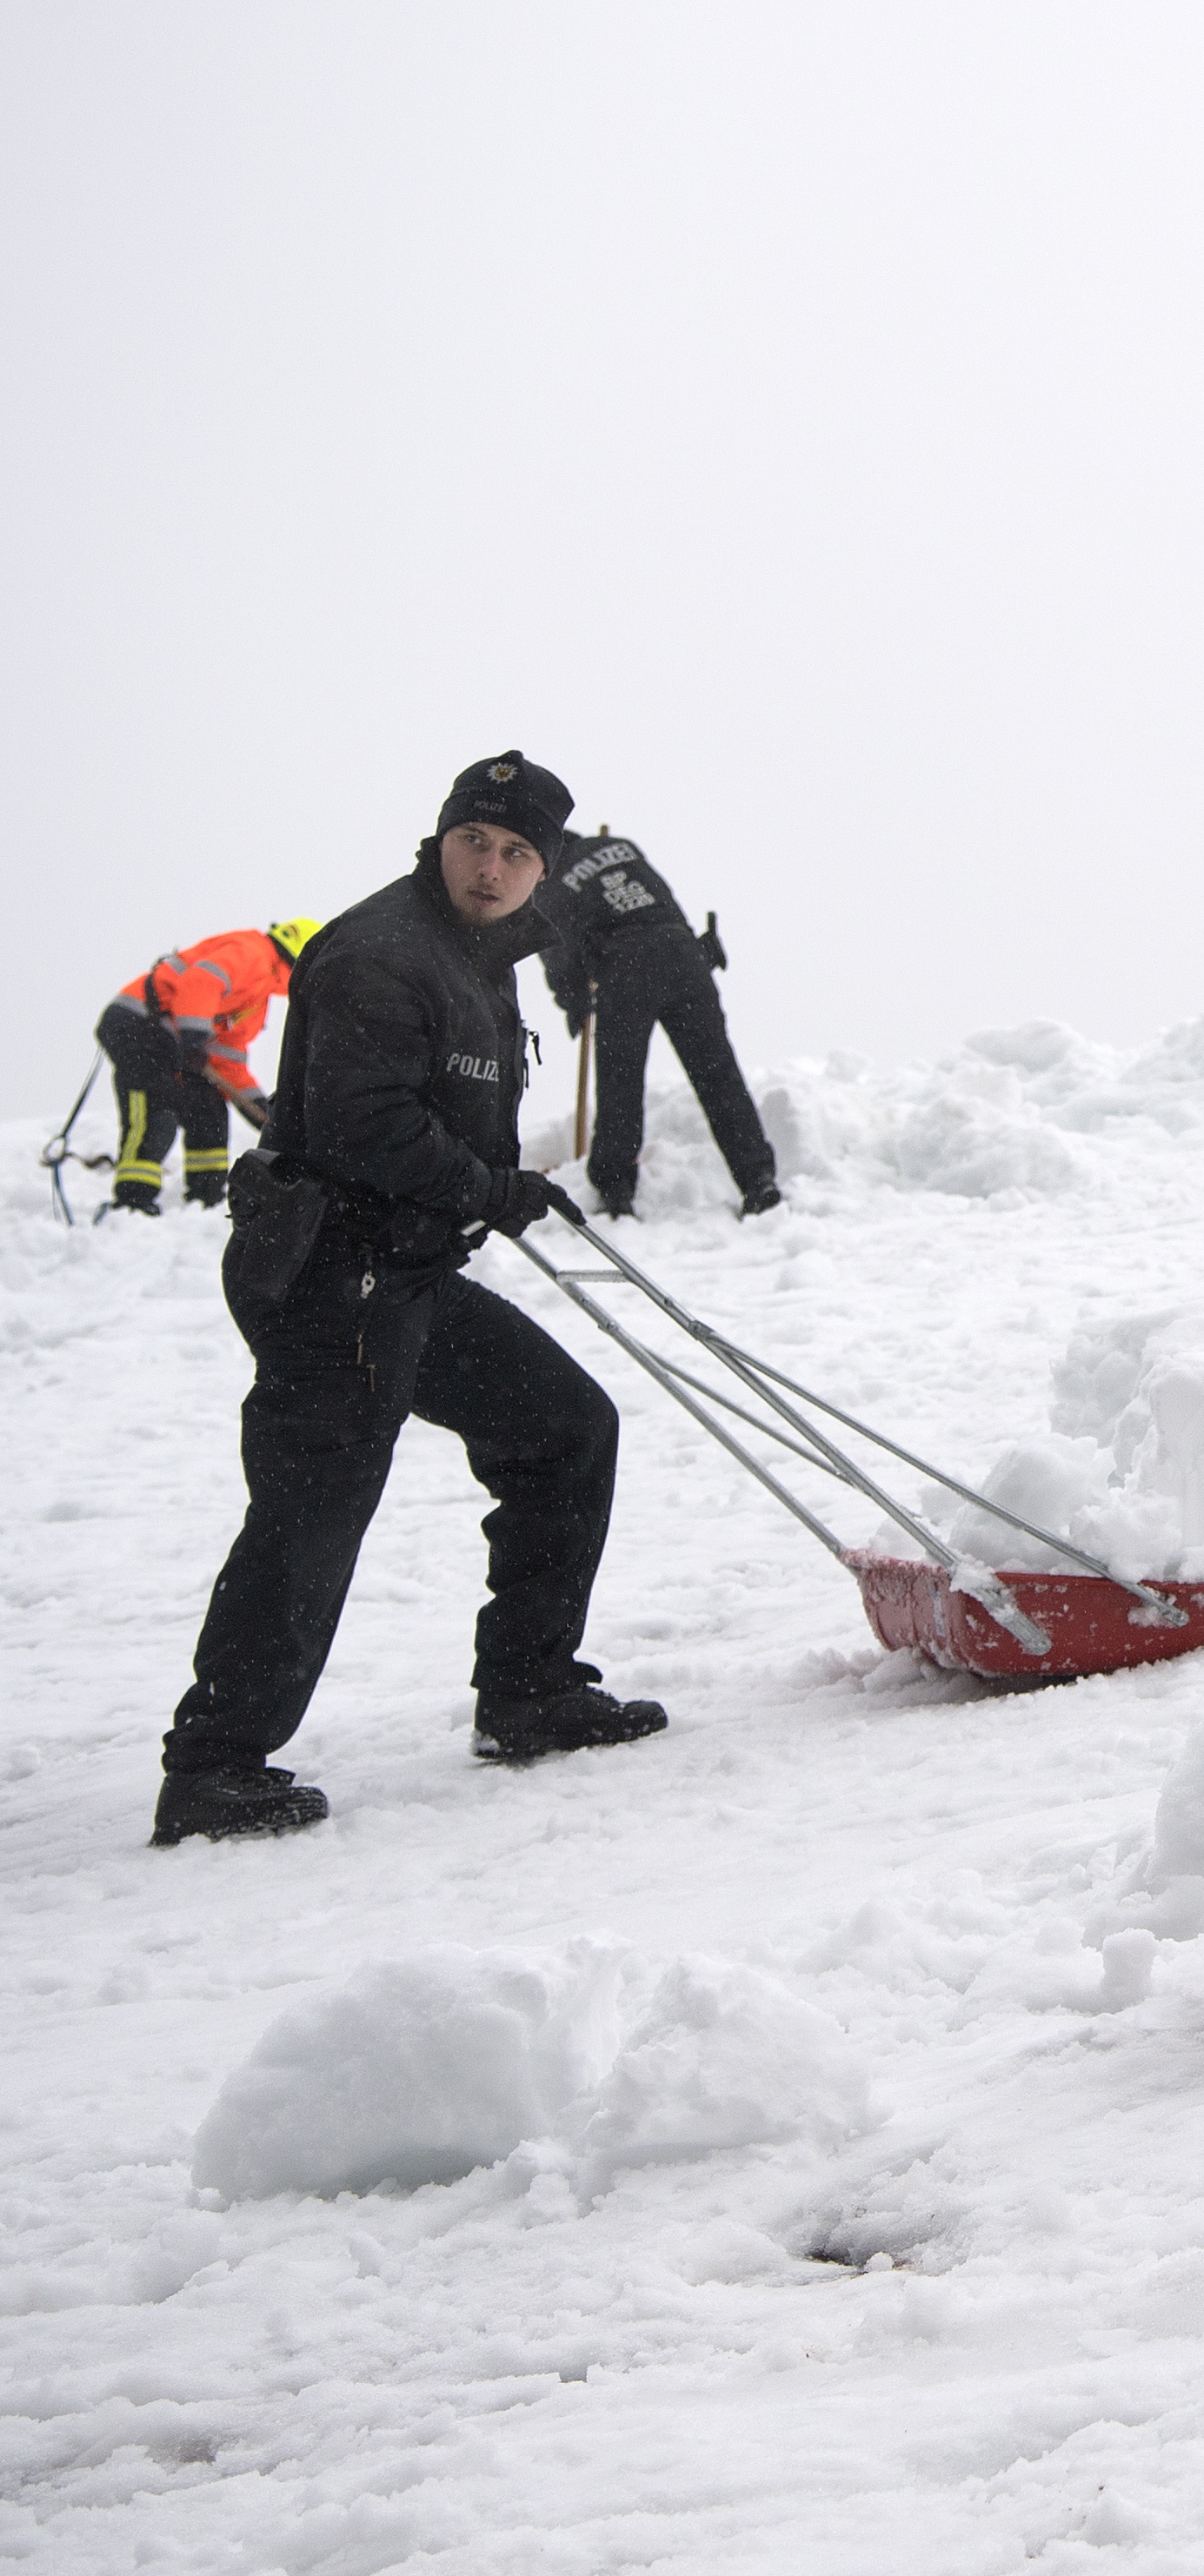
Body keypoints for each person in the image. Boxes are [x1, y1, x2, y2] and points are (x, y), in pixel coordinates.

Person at [152, 750, 663, 1847]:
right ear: (440, 838)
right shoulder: (381, 951)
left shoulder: (480, 954)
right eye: (475, 840)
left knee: (565, 1428)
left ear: (545, 868)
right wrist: (493, 1188)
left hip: (409, 1270)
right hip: (332, 1275)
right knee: (315, 1501)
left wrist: (482, 1193)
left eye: (517, 850)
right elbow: (363, 1127)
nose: (492, 865)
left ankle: (530, 1689)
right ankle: (215, 1763)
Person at [535, 827, 781, 1219]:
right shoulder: (621, 847)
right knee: (718, 1075)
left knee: (621, 1085)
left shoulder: (545, 885)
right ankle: (758, 1180)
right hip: (684, 956)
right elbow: (666, 900)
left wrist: (574, 1002)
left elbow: (556, 953)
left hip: (625, 967)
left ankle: (616, 1191)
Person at [93, 920, 319, 1214]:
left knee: (208, 1106)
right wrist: (194, 1038)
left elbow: (227, 1058)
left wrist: (262, 1109)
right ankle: (133, 1202)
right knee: (156, 1105)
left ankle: (206, 1196)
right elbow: (200, 982)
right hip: (139, 1023)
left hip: (178, 1042)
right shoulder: (253, 952)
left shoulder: (259, 997)